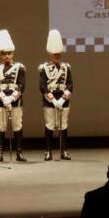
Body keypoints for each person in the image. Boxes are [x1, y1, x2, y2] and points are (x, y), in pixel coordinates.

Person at [0, 29, 26, 162]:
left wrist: (11, 98)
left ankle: (19, 152)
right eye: (4, 54)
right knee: (1, 126)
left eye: (9, 53)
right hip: (0, 101)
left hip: (16, 101)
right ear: (0, 54)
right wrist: (4, 98)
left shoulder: (19, 68)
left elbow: (22, 85)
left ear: (12, 53)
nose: (6, 56)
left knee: (17, 126)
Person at [39, 29, 73, 161]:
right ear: (50, 54)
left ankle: (64, 150)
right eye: (55, 54)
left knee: (63, 125)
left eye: (58, 54)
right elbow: (42, 86)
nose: (57, 56)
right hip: (50, 101)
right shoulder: (44, 68)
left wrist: (63, 99)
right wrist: (53, 100)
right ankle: (48, 151)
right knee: (50, 125)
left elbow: (70, 85)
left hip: (64, 100)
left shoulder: (66, 67)